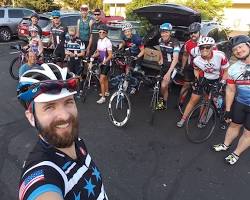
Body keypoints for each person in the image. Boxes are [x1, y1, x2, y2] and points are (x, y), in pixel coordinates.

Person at [17, 63, 108, 200]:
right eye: (49, 107)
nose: (64, 115)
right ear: (31, 117)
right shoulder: (41, 172)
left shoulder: (77, 143)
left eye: (68, 102)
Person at [213, 35, 250, 165]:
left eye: (240, 47)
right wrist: (228, 109)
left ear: (248, 45)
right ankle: (225, 145)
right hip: (241, 103)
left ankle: (236, 153)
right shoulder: (233, 69)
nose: (238, 51)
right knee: (234, 125)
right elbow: (230, 90)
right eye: (235, 50)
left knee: (248, 132)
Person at [176, 37, 229, 127]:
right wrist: (197, 79)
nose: (204, 49)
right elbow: (196, 70)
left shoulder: (220, 56)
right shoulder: (196, 60)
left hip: (217, 79)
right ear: (199, 48)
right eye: (202, 47)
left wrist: (222, 82)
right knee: (193, 99)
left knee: (209, 100)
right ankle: (183, 119)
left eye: (207, 47)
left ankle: (211, 118)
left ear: (212, 47)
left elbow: (226, 70)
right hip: (204, 78)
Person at [156, 22, 180, 110]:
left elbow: (176, 59)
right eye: (162, 32)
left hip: (173, 67)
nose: (164, 34)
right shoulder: (160, 40)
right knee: (162, 85)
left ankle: (163, 102)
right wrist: (161, 58)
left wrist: (168, 73)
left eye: (166, 32)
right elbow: (161, 50)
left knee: (163, 85)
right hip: (164, 65)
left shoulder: (175, 42)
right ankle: (163, 100)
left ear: (170, 32)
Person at [179, 22, 202, 104]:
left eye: (195, 32)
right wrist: (183, 67)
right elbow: (185, 55)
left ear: (199, 31)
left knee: (199, 87)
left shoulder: (206, 41)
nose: (193, 35)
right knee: (186, 84)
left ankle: (197, 103)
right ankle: (180, 101)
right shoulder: (188, 43)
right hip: (192, 66)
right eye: (191, 33)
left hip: (204, 68)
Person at [91, 24, 112, 104]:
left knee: (101, 79)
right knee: (105, 78)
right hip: (101, 62)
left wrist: (105, 61)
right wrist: (93, 56)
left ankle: (103, 97)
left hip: (106, 63)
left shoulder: (108, 42)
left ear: (106, 33)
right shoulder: (99, 41)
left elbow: (110, 55)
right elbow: (98, 53)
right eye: (100, 32)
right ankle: (106, 92)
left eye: (103, 32)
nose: (101, 33)